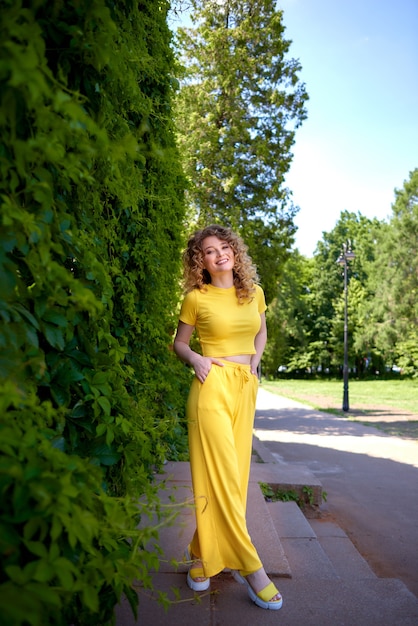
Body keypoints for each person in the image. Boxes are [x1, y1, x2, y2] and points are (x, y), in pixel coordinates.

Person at [173, 224, 283, 610]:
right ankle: (252, 568)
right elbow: (180, 343)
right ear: (199, 261)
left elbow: (261, 332)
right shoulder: (196, 298)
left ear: (234, 252)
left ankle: (203, 556)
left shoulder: (254, 294)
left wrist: (255, 363)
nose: (218, 254)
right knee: (217, 476)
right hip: (211, 386)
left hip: (245, 389)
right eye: (208, 250)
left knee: (232, 482)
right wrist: (198, 359)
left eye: (224, 247)